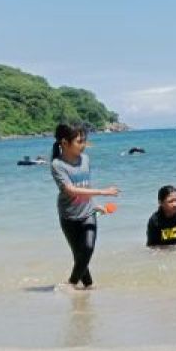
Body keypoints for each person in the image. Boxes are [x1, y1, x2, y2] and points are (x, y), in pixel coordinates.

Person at [51, 123, 119, 290]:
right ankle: (88, 287)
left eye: (84, 141)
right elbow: (71, 190)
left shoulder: (85, 159)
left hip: (88, 212)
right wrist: (103, 192)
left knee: (87, 249)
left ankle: (71, 283)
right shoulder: (57, 165)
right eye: (79, 141)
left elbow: (86, 187)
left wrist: (95, 205)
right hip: (69, 216)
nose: (83, 145)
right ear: (65, 143)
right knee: (79, 255)